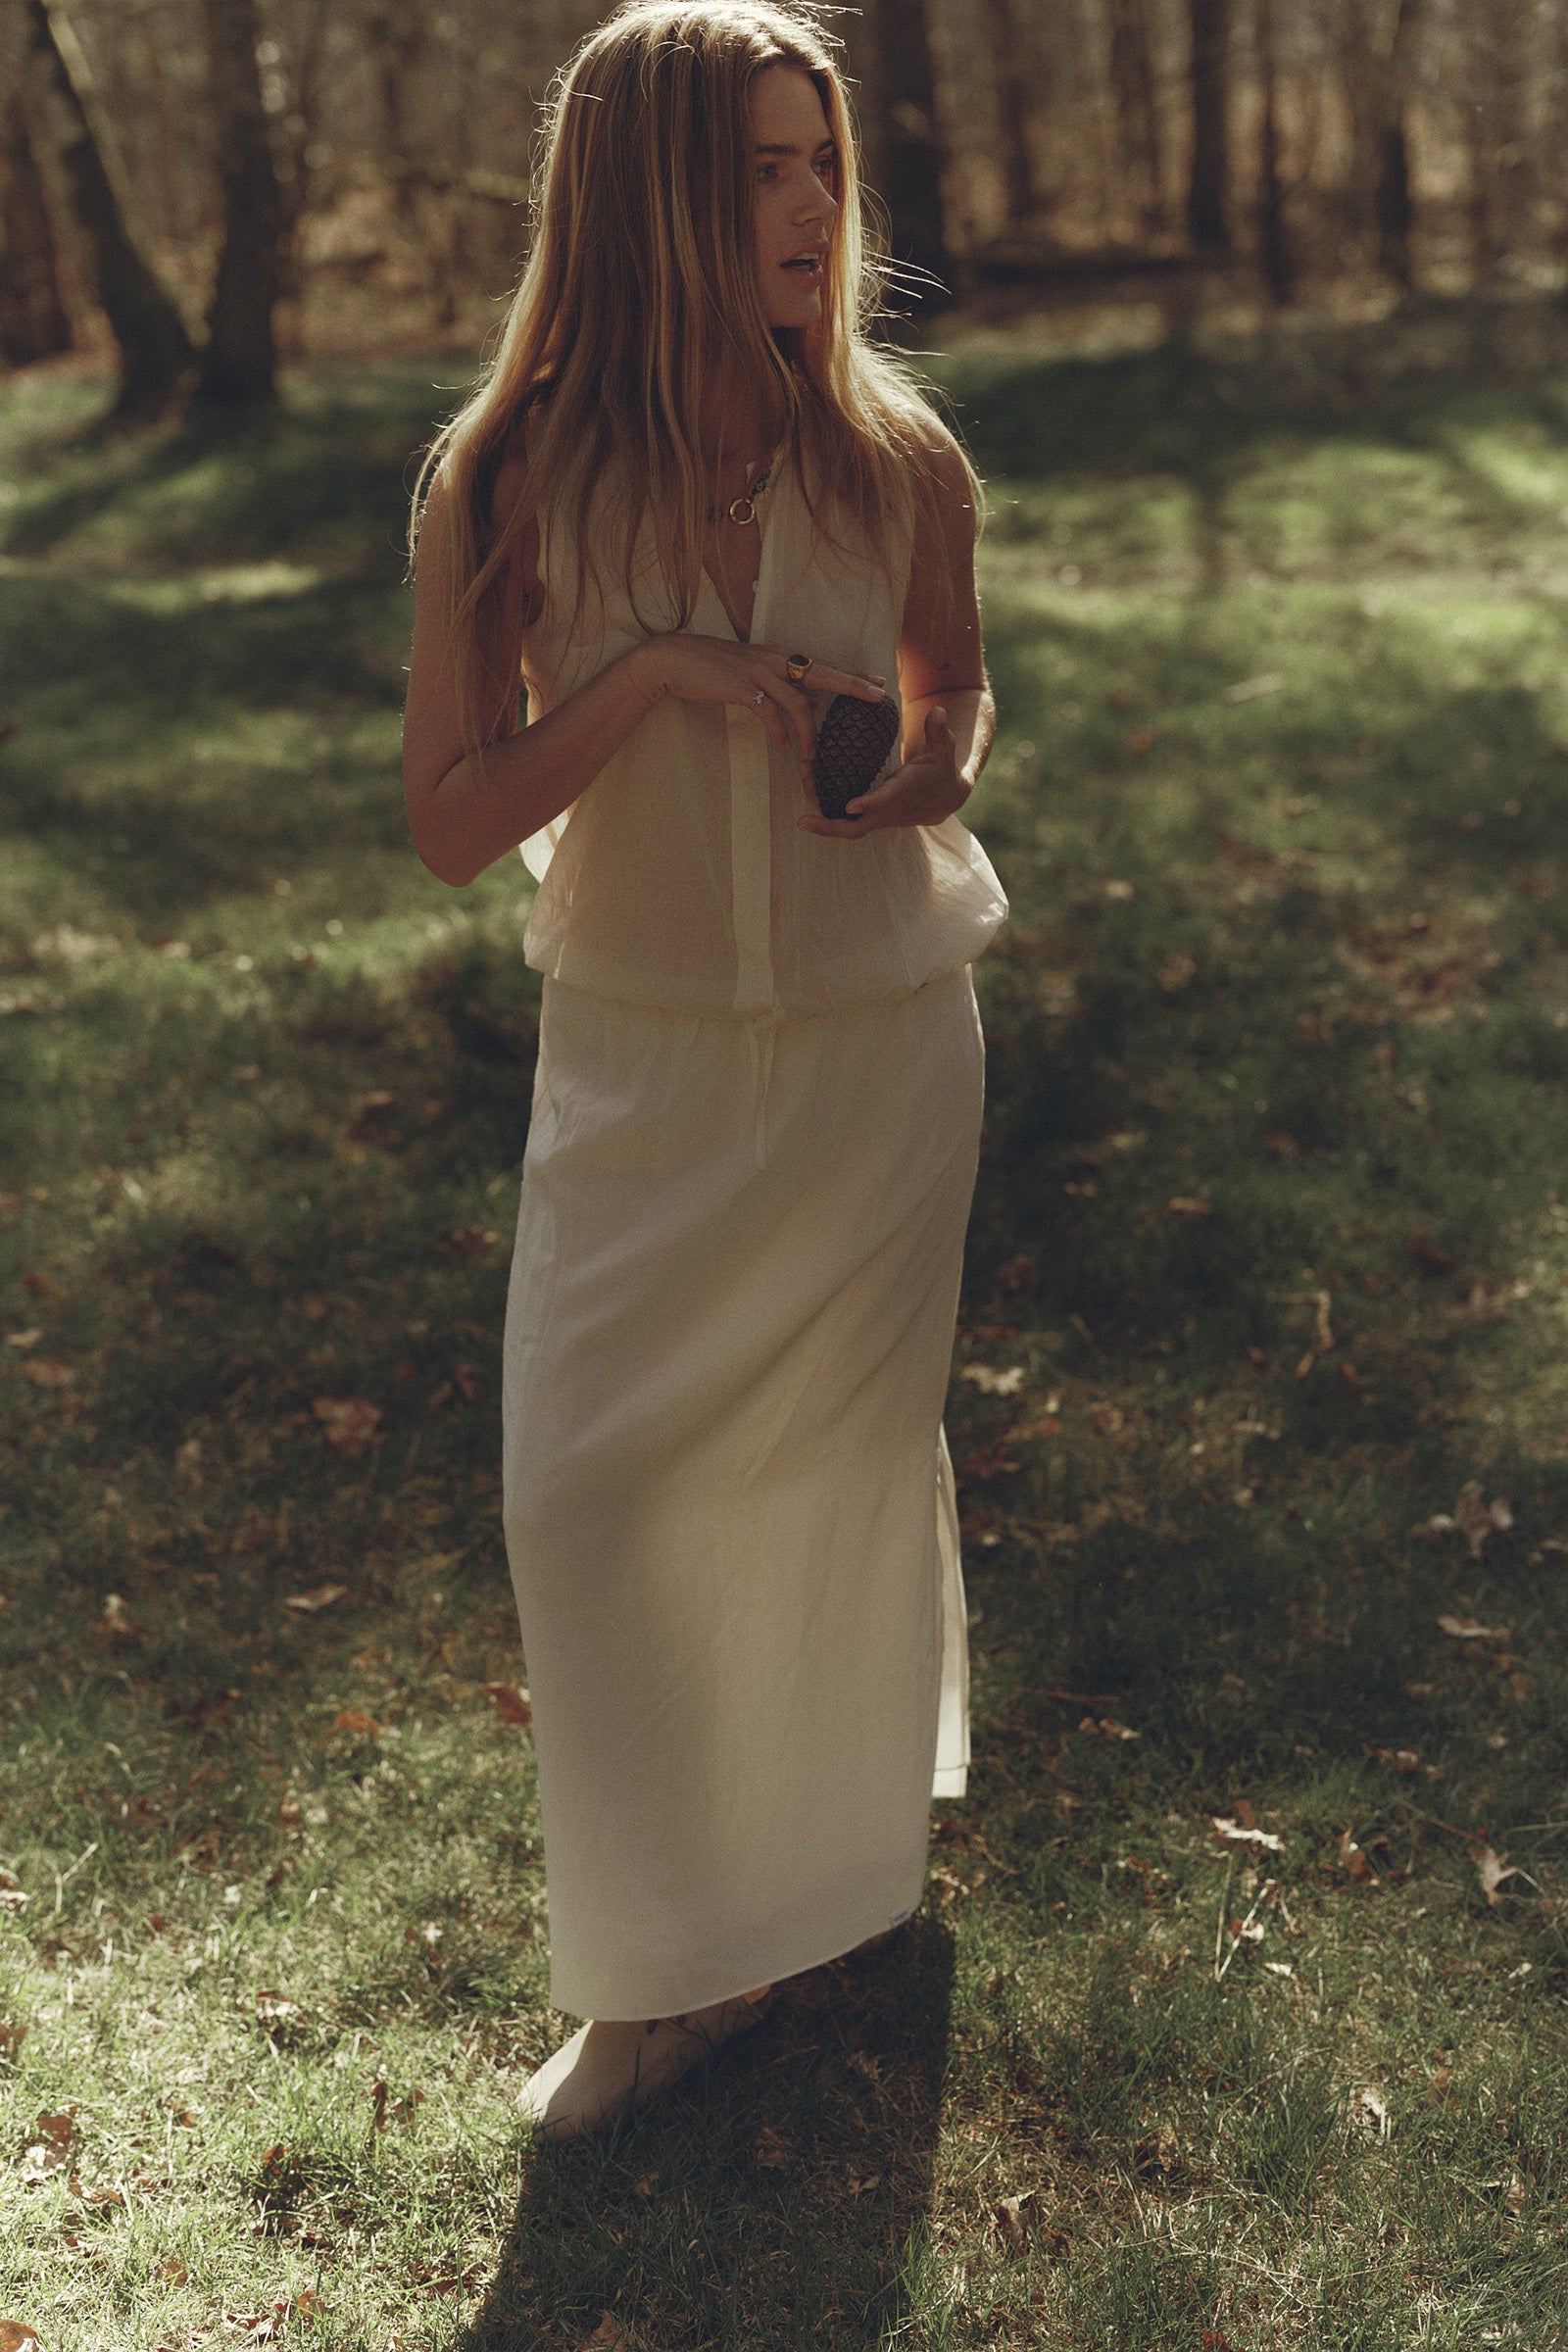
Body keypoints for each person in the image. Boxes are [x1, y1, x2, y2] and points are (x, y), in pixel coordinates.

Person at [401, 0, 1006, 2136]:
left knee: (827, 1481)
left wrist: (912, 767)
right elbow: (453, 817)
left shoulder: (896, 457)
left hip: (875, 1054)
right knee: (588, 1497)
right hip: (638, 1061)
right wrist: (651, 676)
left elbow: (954, 699)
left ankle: (795, 1917)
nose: (813, 203)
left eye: (819, 159)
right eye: (760, 167)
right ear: (650, 194)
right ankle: (658, 1972)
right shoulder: (505, 476)